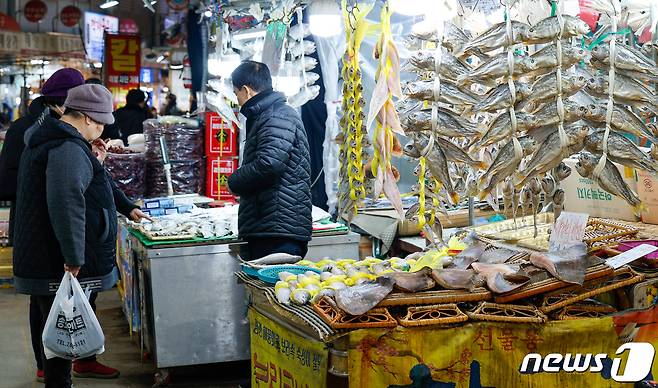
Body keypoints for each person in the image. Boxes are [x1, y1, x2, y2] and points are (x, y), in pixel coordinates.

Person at [12, 84, 150, 387]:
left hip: (44, 254)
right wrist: (74, 257)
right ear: (86, 118)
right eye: (99, 122)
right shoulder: (66, 149)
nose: (101, 129)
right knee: (62, 339)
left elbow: (86, 185)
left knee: (57, 332)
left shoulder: (58, 142)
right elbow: (67, 202)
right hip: (54, 259)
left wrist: (126, 207)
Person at [0, 69, 86, 383]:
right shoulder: (36, 130)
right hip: (38, 225)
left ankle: (68, 360)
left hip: (41, 222)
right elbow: (8, 182)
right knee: (46, 300)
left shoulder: (46, 127)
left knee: (57, 299)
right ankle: (47, 364)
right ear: (66, 102)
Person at [227, 61, 312, 260]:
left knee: (275, 289)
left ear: (246, 90)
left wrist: (234, 182)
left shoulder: (276, 115)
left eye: (236, 93)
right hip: (271, 224)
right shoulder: (269, 114)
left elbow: (269, 163)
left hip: (277, 229)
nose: (237, 100)